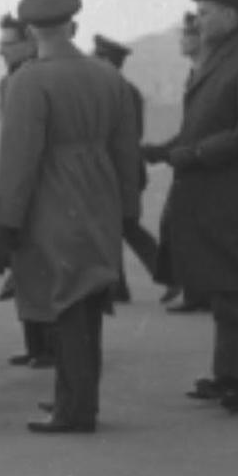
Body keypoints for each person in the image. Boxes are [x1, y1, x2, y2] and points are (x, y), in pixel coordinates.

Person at [0, 0, 143, 434]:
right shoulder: (109, 77)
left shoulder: (28, 81)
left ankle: (74, 409)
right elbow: (128, 153)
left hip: (53, 198)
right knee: (87, 299)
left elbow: (18, 161)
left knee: (65, 302)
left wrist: (6, 221)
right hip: (101, 195)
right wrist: (128, 209)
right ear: (73, 26)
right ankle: (77, 400)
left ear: (30, 30)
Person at [143, 0, 238, 414]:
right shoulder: (220, 58)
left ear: (231, 14)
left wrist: (192, 155)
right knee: (226, 292)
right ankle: (228, 375)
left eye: (205, 13)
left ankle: (237, 382)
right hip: (215, 194)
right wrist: (163, 151)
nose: (198, 21)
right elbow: (199, 126)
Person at [0, 14, 53, 371]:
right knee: (22, 265)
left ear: (30, 43)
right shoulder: (8, 82)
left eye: (8, 44)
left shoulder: (37, 79)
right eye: (0, 44)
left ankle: (48, 347)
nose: (1, 51)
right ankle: (35, 345)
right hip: (15, 183)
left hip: (39, 187)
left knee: (40, 267)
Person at [92, 33, 163, 298]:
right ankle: (117, 287)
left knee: (126, 227)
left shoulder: (117, 90)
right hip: (124, 170)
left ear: (108, 61)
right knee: (116, 227)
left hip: (120, 171)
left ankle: (170, 274)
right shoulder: (124, 89)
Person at [158, 13, 211, 313]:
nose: (181, 40)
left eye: (186, 35)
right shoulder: (195, 71)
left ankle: (194, 291)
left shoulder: (205, 72)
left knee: (183, 225)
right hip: (190, 160)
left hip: (199, 162)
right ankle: (193, 290)